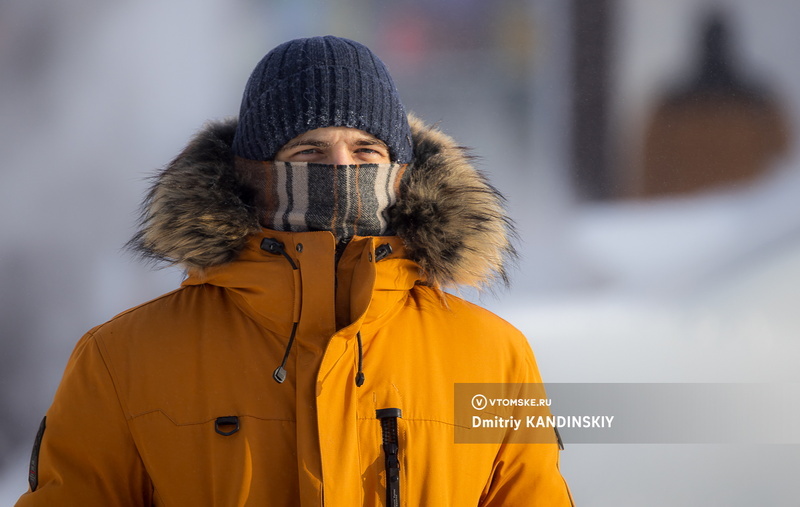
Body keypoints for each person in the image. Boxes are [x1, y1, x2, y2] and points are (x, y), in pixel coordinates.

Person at [16, 36, 573, 506]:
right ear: (251, 172)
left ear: (400, 172)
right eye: (308, 151)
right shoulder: (123, 360)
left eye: (366, 150)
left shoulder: (493, 356)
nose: (339, 168)